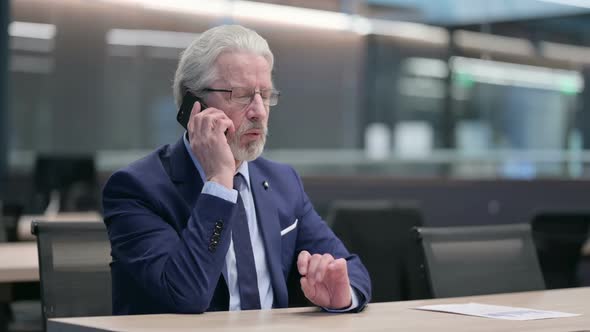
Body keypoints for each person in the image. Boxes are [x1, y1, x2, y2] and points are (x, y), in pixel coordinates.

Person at [102, 24, 371, 315]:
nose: (259, 111)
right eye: (242, 95)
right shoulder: (136, 189)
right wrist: (219, 183)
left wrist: (341, 295)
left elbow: (353, 271)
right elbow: (184, 295)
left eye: (265, 95)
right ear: (195, 105)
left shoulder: (282, 182)